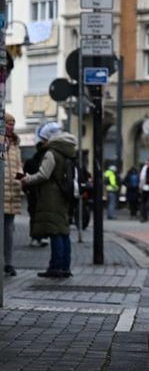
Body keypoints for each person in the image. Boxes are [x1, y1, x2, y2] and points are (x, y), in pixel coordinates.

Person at [21, 122, 78, 278]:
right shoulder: (68, 151)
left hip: (52, 196)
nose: (42, 142)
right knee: (63, 231)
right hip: (64, 194)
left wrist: (27, 179)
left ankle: (55, 267)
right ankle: (65, 266)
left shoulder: (51, 152)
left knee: (55, 231)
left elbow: (44, 174)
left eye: (43, 139)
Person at [4, 114, 22, 276]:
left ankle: (9, 263)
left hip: (12, 194)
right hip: (2, 193)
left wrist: (21, 180)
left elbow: (19, 168)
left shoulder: (16, 145)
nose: (11, 127)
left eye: (13, 124)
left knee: (9, 231)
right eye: (9, 123)